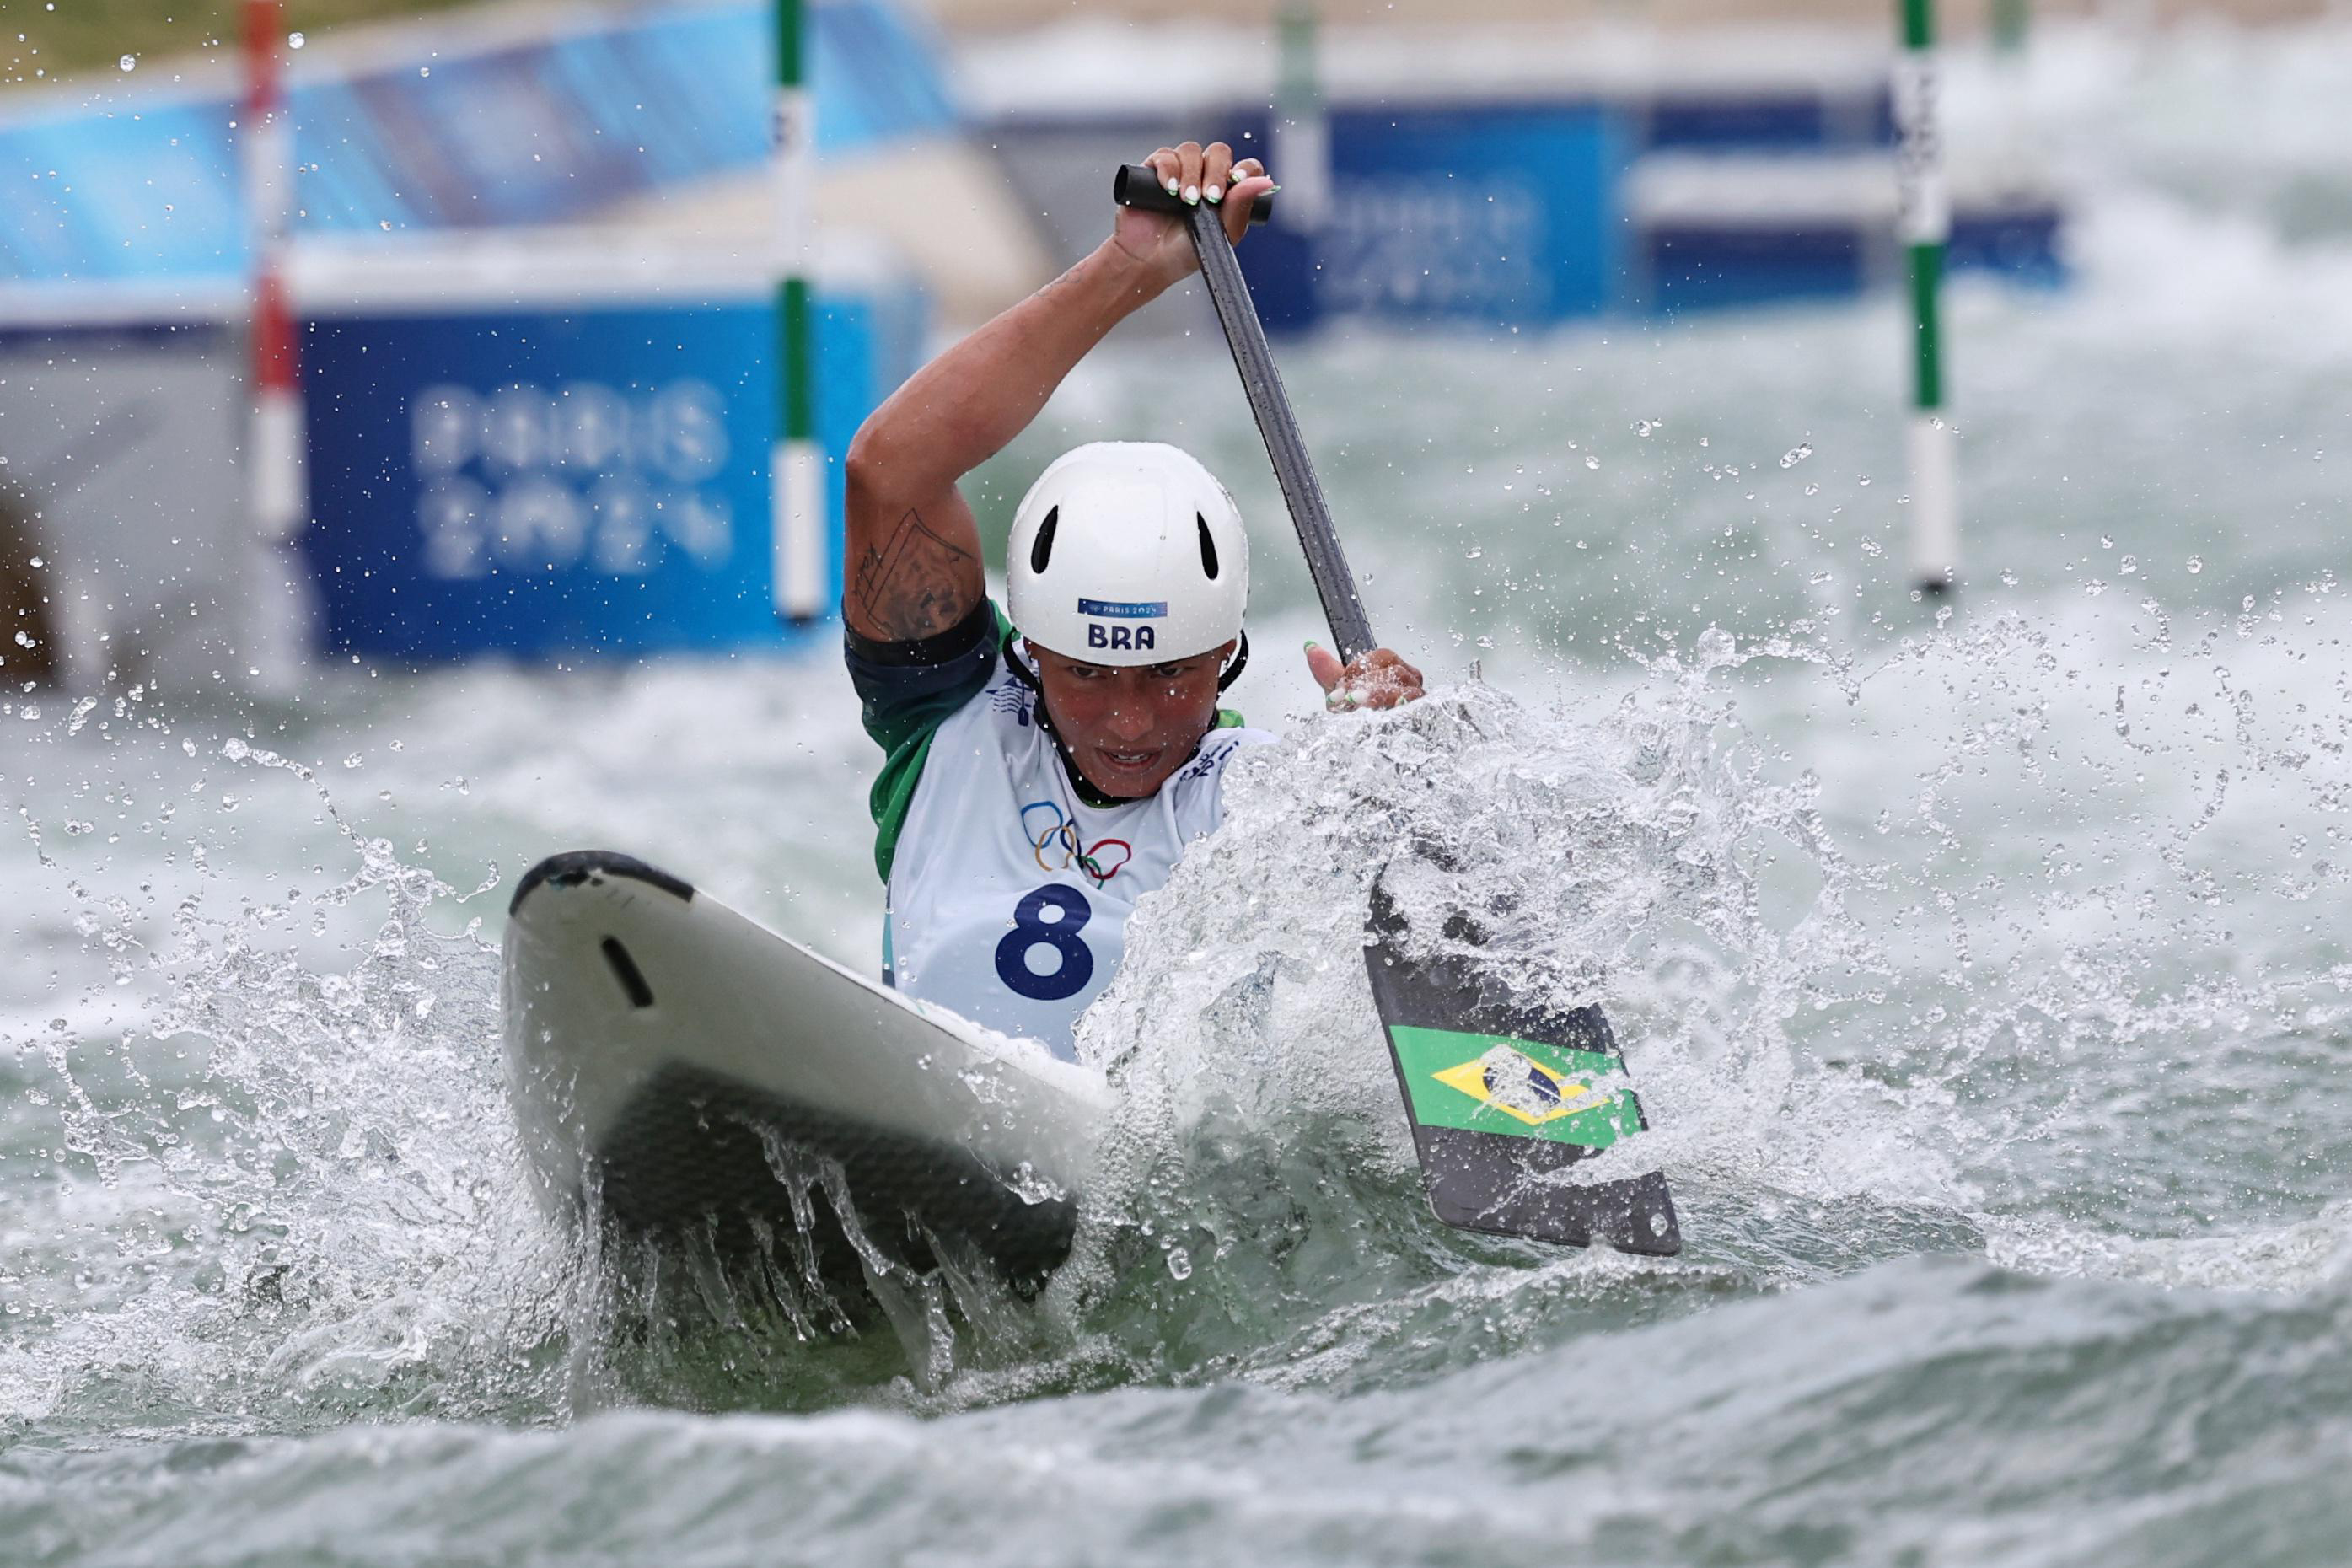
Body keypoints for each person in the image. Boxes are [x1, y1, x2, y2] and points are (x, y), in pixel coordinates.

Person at [841, 140, 1424, 1061]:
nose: (1129, 720)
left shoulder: (1266, 800)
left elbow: (1418, 900)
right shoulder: (945, 719)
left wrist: (1399, 774)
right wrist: (1130, 270)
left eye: (1169, 677)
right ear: (1030, 651)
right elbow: (891, 470)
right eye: (1087, 674)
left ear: (1226, 655)